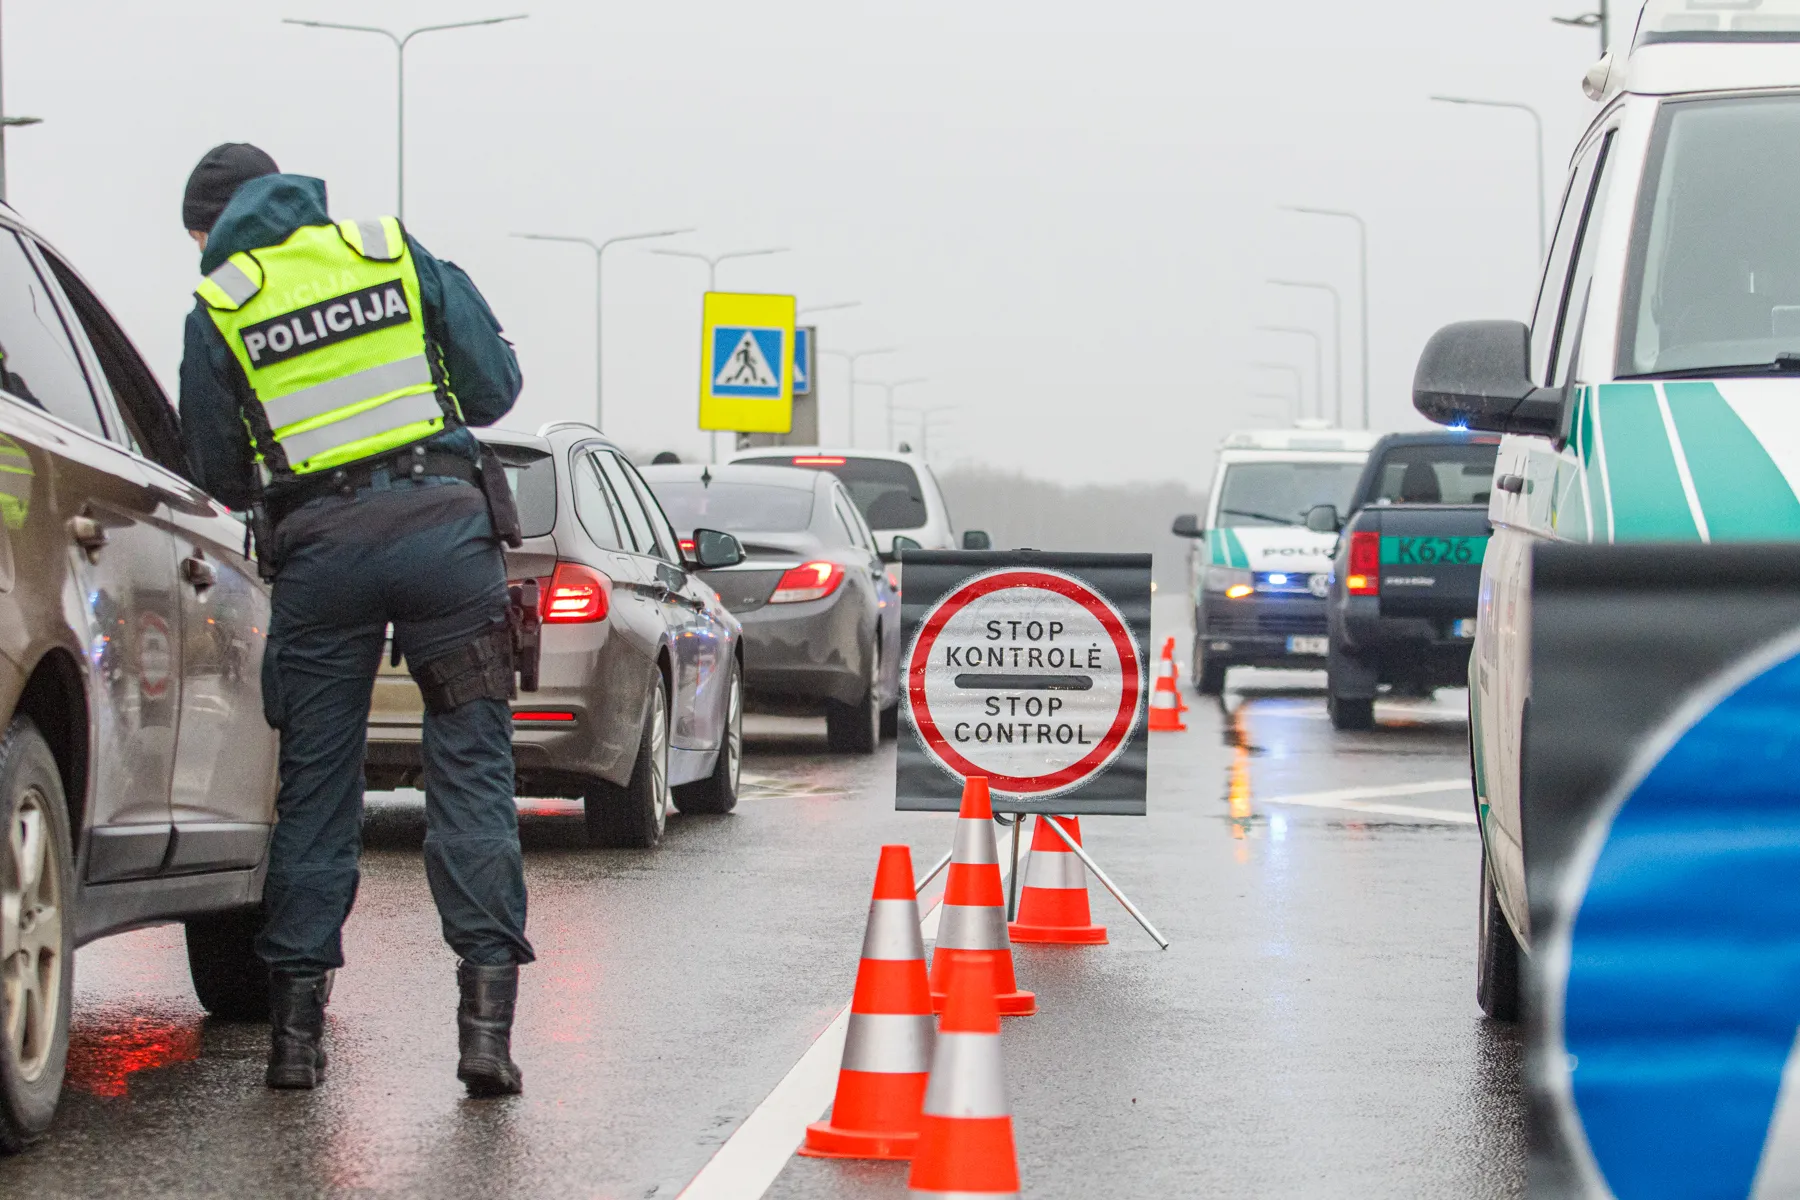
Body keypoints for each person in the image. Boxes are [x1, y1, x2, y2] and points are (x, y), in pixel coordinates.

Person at [178, 143, 533, 1096]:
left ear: (214, 228)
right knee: (471, 775)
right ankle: (486, 1039)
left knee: (318, 794)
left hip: (322, 560)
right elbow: (495, 389)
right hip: (446, 544)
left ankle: (295, 1046)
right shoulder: (387, 251)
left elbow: (211, 466)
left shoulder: (221, 304)